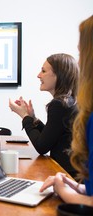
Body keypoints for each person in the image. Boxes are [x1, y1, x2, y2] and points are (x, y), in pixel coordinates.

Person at [39, 15, 93, 206]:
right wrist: (78, 187)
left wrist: (65, 191)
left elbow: (41, 145)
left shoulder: (62, 105)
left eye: (81, 53)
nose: (78, 63)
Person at [9, 53, 79, 178]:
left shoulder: (59, 105)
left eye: (43, 71)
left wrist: (25, 117)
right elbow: (52, 135)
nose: (38, 75)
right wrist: (33, 118)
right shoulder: (69, 101)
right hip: (71, 174)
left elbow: (42, 146)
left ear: (58, 75)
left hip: (68, 177)